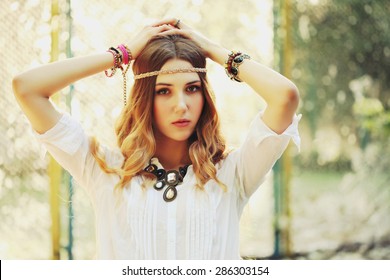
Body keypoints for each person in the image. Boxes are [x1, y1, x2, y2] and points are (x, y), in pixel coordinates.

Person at [12, 18, 301, 259]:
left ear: (204, 95)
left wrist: (213, 50)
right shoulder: (106, 170)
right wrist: (120, 55)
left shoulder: (231, 173)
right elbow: (27, 88)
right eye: (164, 91)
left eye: (192, 88)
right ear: (145, 98)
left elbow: (285, 97)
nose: (181, 105)